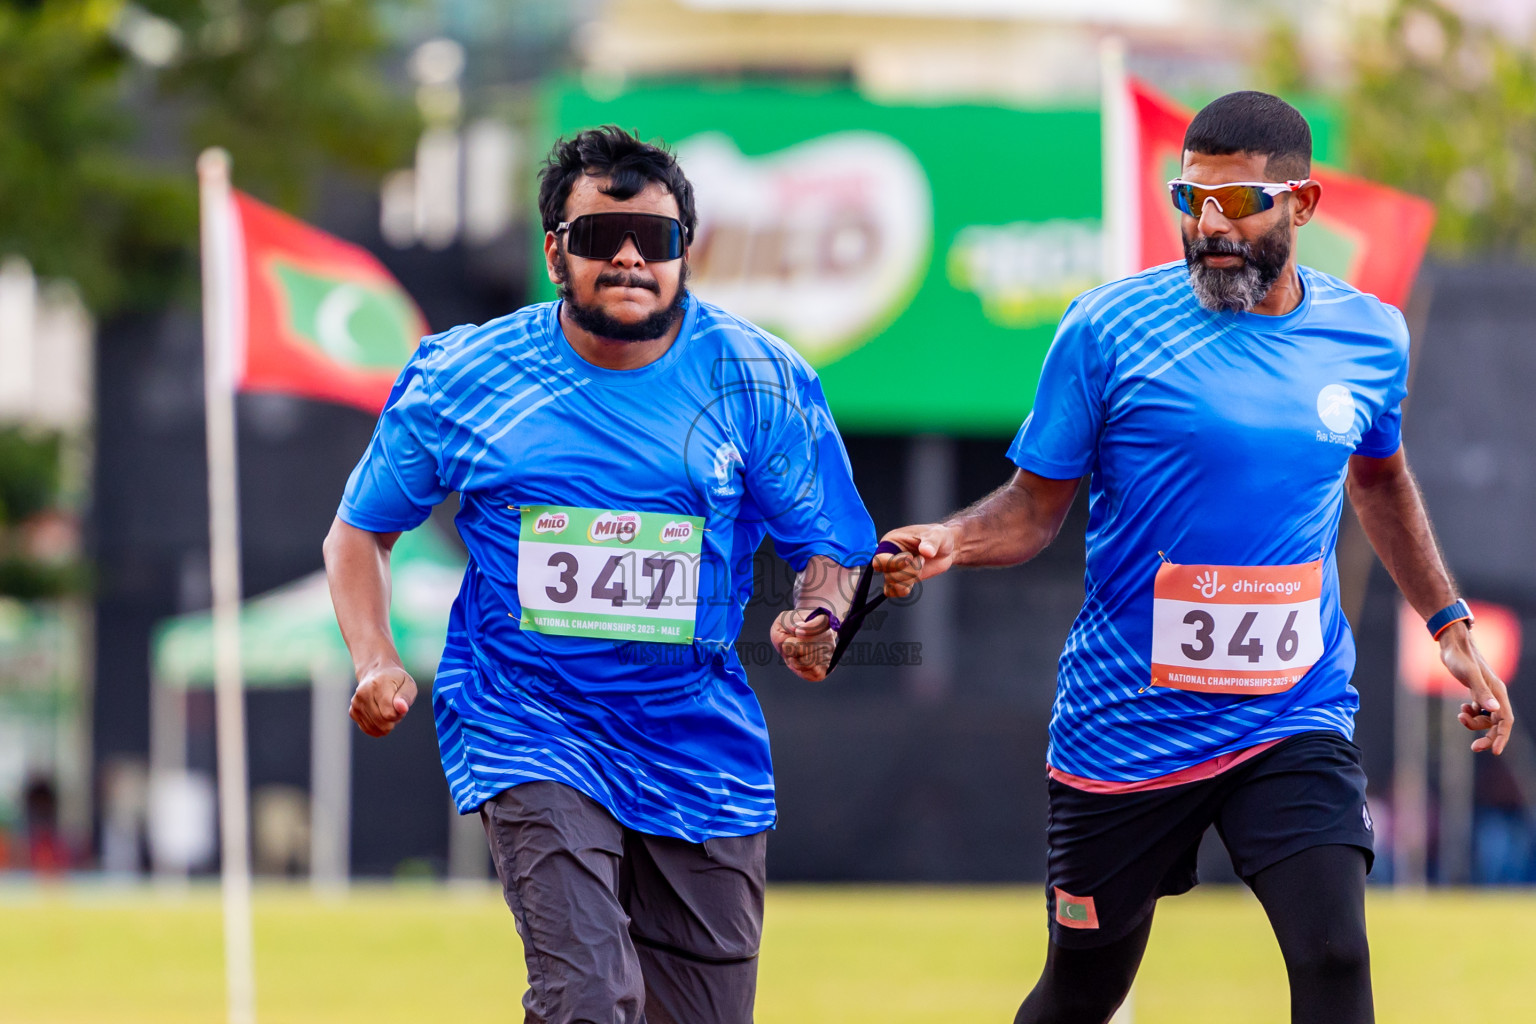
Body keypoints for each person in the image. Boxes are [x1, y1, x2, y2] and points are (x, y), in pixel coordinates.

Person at [874, 91, 1514, 1024]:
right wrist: (951, 541)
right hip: (1128, 727)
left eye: (1240, 204)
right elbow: (1032, 508)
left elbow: (1378, 483)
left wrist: (1448, 623)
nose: (1210, 227)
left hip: (1291, 712)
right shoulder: (1106, 331)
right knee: (1084, 988)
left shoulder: (1371, 336)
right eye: (1192, 200)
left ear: (1305, 203)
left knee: (1336, 954)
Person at [324, 125, 874, 1024]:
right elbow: (358, 535)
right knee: (589, 996)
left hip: (696, 742)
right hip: (529, 721)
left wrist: (817, 616)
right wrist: (375, 658)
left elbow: (834, 547)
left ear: (685, 253)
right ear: (555, 254)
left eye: (653, 240)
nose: (628, 260)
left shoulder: (761, 380)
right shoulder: (464, 376)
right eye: (597, 240)